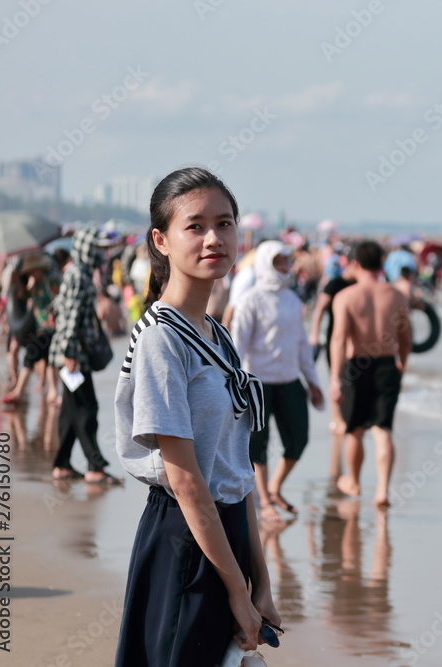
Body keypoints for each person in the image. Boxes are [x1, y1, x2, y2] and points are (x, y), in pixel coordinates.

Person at [114, 167, 280, 664]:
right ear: (160, 240)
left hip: (226, 536)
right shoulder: (163, 339)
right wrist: (235, 589)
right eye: (196, 226)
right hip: (184, 543)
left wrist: (260, 582)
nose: (215, 238)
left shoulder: (217, 334)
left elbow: (237, 473)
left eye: (225, 223)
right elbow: (187, 483)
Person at [232, 240, 324, 523]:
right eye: (278, 262)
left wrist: (313, 382)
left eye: (286, 261)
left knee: (299, 439)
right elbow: (238, 346)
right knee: (258, 445)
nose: (284, 267)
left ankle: (273, 489)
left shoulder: (293, 301)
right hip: (257, 383)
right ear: (264, 264)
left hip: (289, 380)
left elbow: (301, 346)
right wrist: (235, 384)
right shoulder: (250, 300)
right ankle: (264, 501)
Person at [330, 240, 411, 507]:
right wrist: (402, 363)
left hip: (357, 367)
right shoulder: (397, 295)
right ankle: (382, 491)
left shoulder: (346, 297)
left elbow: (339, 339)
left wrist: (335, 378)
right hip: (387, 364)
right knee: (383, 430)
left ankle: (353, 480)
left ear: (355, 264)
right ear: (382, 264)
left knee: (354, 430)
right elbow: (406, 336)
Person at [48, 228, 123, 485]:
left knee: (70, 412)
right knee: (86, 409)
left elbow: (60, 308)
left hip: (73, 353)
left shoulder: (75, 274)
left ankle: (62, 465)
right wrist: (70, 352)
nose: (101, 255)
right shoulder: (79, 276)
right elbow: (71, 316)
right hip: (74, 355)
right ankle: (95, 467)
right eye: (97, 250)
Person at [309, 255, 356, 485]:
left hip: (354, 340)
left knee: (350, 378)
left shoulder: (359, 284)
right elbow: (320, 308)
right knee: (336, 376)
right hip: (335, 339)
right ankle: (336, 418)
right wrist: (314, 333)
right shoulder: (335, 283)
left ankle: (345, 415)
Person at [1, 253, 58, 405]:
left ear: (40, 269)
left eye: (34, 271)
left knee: (33, 357)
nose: (32, 274)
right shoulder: (35, 284)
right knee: (48, 359)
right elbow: (23, 296)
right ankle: (52, 391)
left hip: (50, 328)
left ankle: (19, 392)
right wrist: (21, 282)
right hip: (41, 329)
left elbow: (57, 300)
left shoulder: (49, 282)